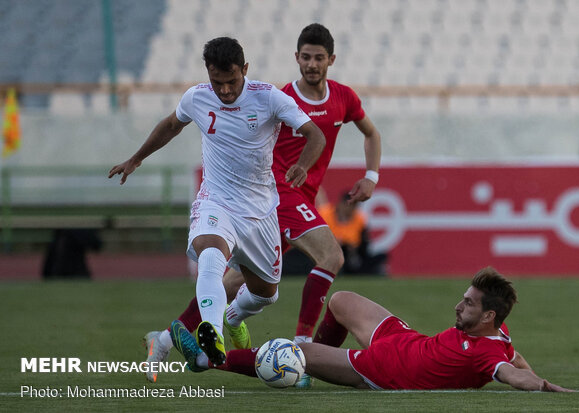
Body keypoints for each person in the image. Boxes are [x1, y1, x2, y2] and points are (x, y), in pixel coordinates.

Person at [141, 24, 382, 386]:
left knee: (256, 287)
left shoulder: (343, 98)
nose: (311, 64)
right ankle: (302, 347)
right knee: (331, 257)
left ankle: (167, 337)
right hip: (279, 192)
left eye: (319, 58)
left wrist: (371, 176)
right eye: (305, 57)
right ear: (296, 58)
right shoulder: (279, 96)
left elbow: (370, 133)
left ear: (331, 60)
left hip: (282, 198)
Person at [110, 37, 325, 372]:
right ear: (208, 74)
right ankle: (212, 332)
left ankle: (229, 317)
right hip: (217, 201)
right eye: (217, 82)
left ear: (245, 70)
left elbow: (316, 135)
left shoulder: (268, 97)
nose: (224, 90)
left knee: (266, 293)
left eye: (231, 82)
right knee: (211, 252)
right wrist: (136, 158)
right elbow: (171, 125)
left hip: (259, 212)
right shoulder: (197, 97)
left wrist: (303, 165)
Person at [171, 267, 573, 392]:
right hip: (404, 340)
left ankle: (209, 359)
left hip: (381, 370)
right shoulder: (498, 340)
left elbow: (510, 373)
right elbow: (513, 356)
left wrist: (539, 385)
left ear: (488, 316)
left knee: (288, 354)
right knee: (342, 299)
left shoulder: (487, 357)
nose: (457, 304)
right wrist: (535, 374)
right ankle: (307, 378)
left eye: (467, 303)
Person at [318, 191, 387, 274]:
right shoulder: (325, 214)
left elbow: (364, 245)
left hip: (351, 254)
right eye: (350, 205)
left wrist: (352, 246)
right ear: (341, 204)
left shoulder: (359, 218)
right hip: (327, 251)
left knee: (381, 256)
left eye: (355, 206)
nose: (352, 209)